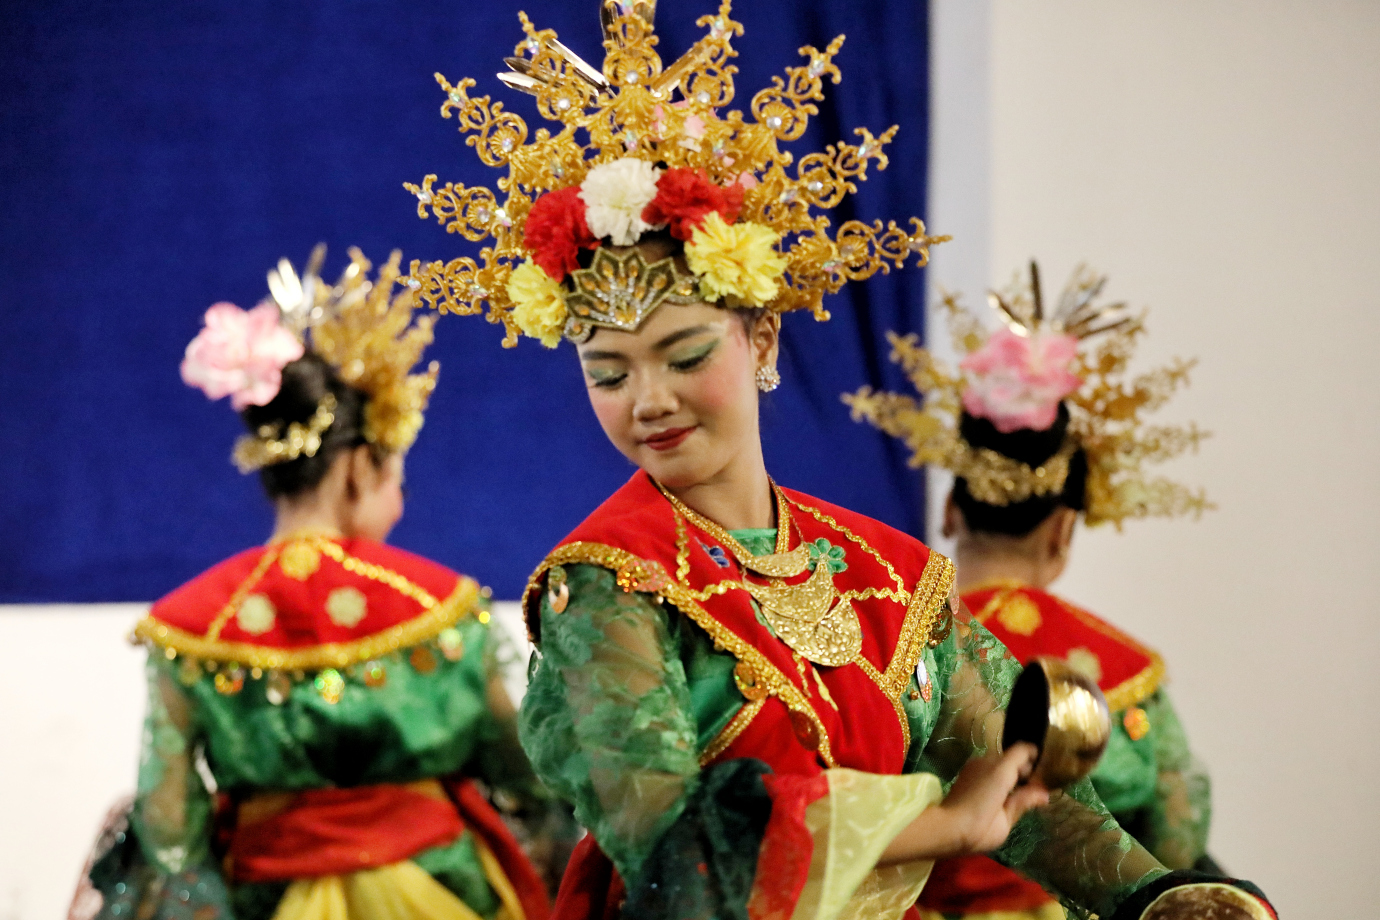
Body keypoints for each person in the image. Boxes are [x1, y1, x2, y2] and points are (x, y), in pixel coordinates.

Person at [404, 4, 1274, 919]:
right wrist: (943, 826)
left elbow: (1015, 790)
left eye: (686, 356)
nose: (648, 400)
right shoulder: (611, 586)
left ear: (764, 340)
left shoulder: (887, 575)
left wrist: (1157, 897)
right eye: (608, 373)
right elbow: (668, 838)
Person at [76, 248, 555, 920]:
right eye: (397, 480)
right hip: (442, 894)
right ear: (360, 467)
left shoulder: (192, 626)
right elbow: (526, 779)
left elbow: (169, 828)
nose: (398, 506)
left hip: (262, 897)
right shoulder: (439, 605)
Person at [847, 263, 1220, 920]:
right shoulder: (1127, 672)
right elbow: (1178, 831)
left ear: (950, 512)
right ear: (1063, 529)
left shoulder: (881, 635)